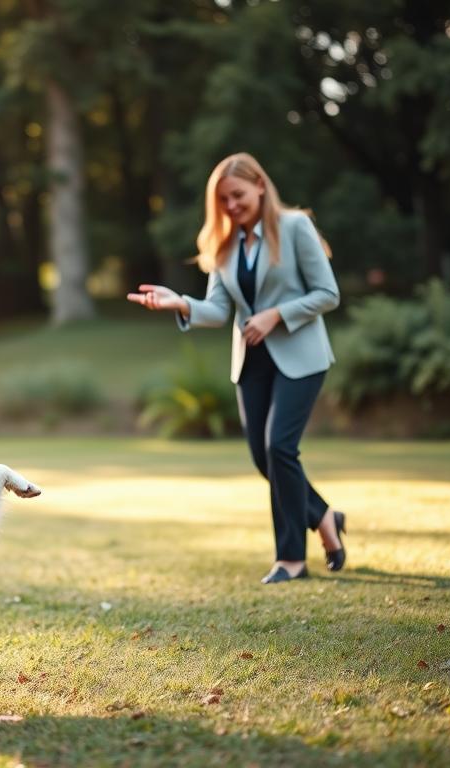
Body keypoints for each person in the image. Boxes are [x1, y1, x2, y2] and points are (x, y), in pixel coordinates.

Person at [127, 152, 345, 584]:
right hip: (252, 362)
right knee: (265, 458)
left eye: (238, 195)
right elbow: (217, 309)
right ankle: (324, 517)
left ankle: (291, 559)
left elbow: (328, 293)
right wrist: (180, 302)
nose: (231, 206)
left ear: (260, 186)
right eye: (224, 199)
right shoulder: (224, 246)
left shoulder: (295, 227)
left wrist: (275, 315)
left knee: (280, 449)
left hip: (299, 356)